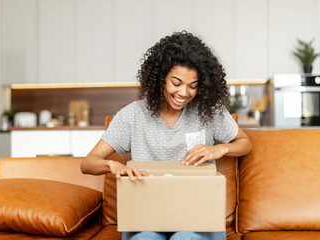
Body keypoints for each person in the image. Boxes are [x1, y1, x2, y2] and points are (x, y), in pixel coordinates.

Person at [81, 31, 252, 240]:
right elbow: (88, 163)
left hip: (199, 217)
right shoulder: (133, 115)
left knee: (184, 238)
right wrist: (111, 165)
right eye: (176, 83)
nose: (184, 93)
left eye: (193, 86)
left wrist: (220, 148)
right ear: (160, 78)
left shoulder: (209, 111)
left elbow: (244, 143)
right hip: (147, 218)